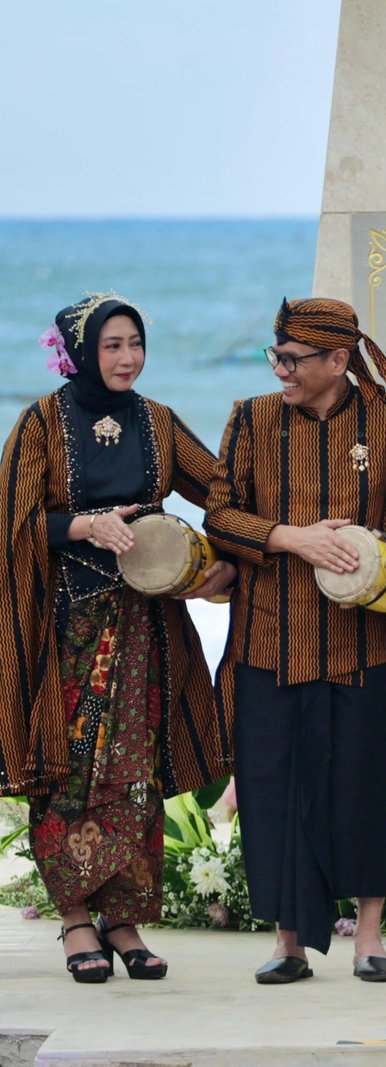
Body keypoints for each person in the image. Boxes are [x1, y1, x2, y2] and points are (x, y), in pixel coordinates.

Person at [206, 297, 386, 984]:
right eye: (276, 356)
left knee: (362, 784)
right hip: (269, 639)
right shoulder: (251, 418)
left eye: (294, 358)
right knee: (275, 789)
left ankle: (369, 938)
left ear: (338, 360)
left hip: (361, 640)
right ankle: (288, 941)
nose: (281, 368)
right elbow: (221, 513)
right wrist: (290, 537)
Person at [0, 294, 234, 982]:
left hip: (145, 628)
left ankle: (124, 920)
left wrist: (226, 553)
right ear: (80, 351)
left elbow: (221, 487)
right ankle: (76, 919)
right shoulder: (42, 422)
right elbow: (11, 522)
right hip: (66, 626)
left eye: (135, 342)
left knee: (134, 774)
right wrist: (84, 525)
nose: (128, 357)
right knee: (69, 768)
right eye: (112, 345)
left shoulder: (157, 421)